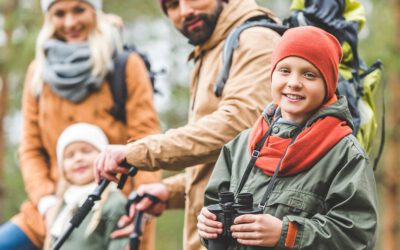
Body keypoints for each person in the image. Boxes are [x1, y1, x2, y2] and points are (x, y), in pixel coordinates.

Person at [94, 0, 281, 249]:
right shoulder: (213, 48)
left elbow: (239, 127)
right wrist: (168, 191)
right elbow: (226, 164)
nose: (185, 11)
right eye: (172, 5)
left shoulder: (255, 39)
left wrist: (135, 152)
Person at [197, 26, 378, 249]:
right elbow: (214, 205)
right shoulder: (241, 145)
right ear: (271, 75)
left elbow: (358, 237)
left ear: (328, 85)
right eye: (284, 70)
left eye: (309, 74)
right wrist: (207, 226)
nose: (293, 82)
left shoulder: (345, 154)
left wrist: (288, 234)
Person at [0, 0, 160, 249]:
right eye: (59, 13)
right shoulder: (38, 72)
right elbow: (30, 148)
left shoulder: (125, 65)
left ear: (95, 12)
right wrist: (46, 202)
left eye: (79, 10)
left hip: (110, 211)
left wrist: (142, 207)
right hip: (52, 210)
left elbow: (147, 139)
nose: (70, 22)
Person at [44, 123, 128, 250]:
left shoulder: (114, 203)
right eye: (70, 155)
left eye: (86, 151)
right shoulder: (61, 205)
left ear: (103, 157)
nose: (78, 158)